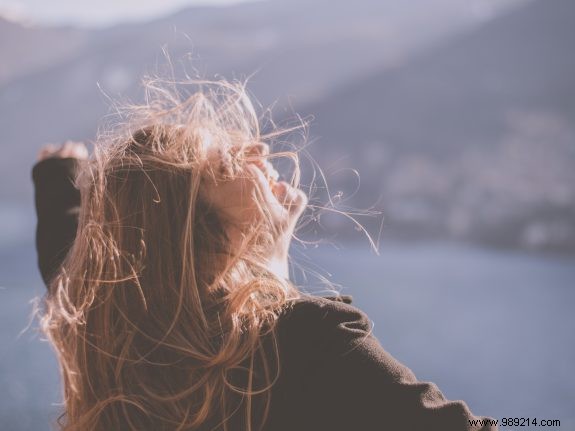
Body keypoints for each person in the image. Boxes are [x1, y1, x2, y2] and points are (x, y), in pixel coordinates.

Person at [32, 80, 497, 431]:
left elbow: (71, 266)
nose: (259, 149)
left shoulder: (104, 329)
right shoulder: (310, 341)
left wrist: (58, 179)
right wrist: (276, 283)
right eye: (228, 162)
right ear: (189, 233)